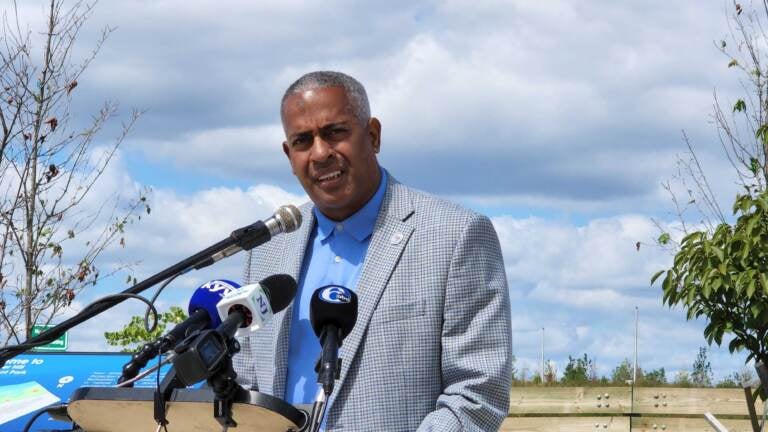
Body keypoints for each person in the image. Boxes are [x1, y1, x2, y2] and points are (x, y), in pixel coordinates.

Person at [233, 71, 512, 431]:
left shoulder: (455, 235)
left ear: (373, 135)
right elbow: (246, 382)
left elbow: (477, 394)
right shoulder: (268, 249)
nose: (320, 153)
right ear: (289, 155)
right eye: (303, 141)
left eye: (335, 132)